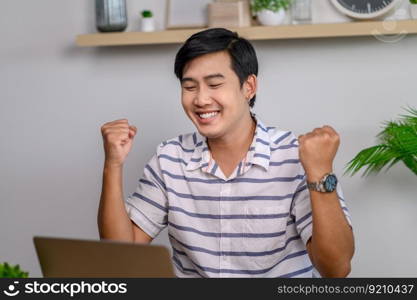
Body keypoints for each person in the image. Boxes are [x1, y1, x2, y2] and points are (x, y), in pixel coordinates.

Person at [98, 28, 354, 278]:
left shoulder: (295, 157)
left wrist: (320, 173)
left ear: (249, 87)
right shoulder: (170, 158)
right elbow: (121, 255)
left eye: (214, 84)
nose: (201, 99)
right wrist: (113, 164)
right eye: (190, 87)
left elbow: (336, 270)